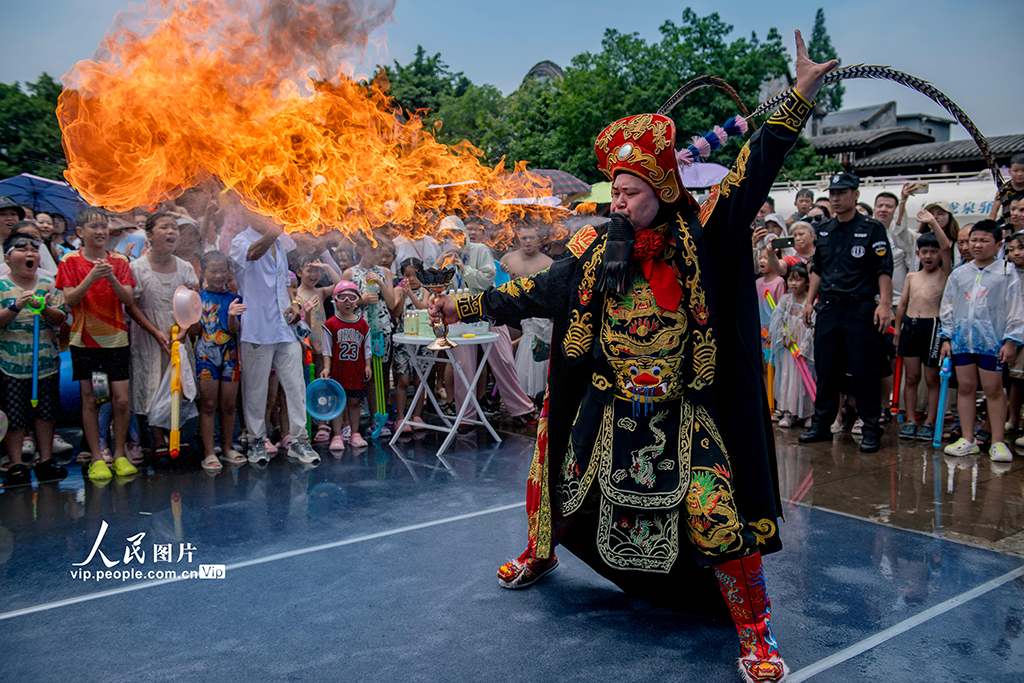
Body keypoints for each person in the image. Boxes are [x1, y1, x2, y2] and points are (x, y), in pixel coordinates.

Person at [430, 30, 836, 682]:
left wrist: (800, 94)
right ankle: (541, 551)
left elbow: (754, 169)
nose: (618, 203)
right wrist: (467, 306)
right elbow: (532, 291)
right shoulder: (594, 252)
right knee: (556, 476)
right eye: (613, 192)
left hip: (679, 412)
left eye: (630, 193)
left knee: (713, 508)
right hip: (606, 406)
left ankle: (756, 634)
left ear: (664, 192)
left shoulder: (702, 243)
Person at [799, 172, 894, 453]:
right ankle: (822, 424)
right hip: (828, 307)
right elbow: (818, 269)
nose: (836, 198)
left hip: (859, 308)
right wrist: (809, 302)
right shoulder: (825, 229)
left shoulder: (872, 228)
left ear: (855, 195)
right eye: (833, 193)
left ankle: (871, 428)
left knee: (864, 370)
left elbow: (883, 269)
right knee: (827, 368)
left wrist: (885, 304)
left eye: (842, 192)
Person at [230, 207, 320, 465]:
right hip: (257, 327)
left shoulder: (281, 241)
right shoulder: (242, 241)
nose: (268, 216)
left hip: (285, 326)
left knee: (295, 385)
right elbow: (252, 254)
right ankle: (257, 441)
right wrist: (274, 231)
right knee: (256, 390)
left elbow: (283, 283)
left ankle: (299, 441)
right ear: (247, 216)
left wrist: (293, 304)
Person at [55, 207, 138, 480]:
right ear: (79, 232)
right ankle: (96, 457)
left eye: (104, 226)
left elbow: (128, 301)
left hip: (116, 340)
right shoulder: (70, 260)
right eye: (94, 227)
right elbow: (69, 301)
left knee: (121, 400)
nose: (101, 232)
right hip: (84, 341)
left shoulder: (120, 260)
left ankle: (118, 454)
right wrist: (91, 276)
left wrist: (110, 276)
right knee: (91, 400)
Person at [439, 216, 537, 426]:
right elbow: (440, 288)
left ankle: (523, 408)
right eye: (446, 236)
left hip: (486, 310)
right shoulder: (445, 256)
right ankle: (465, 414)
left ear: (462, 233)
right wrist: (440, 265)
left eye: (455, 233)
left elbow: (486, 279)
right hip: (458, 316)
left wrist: (464, 269)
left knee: (503, 360)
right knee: (463, 365)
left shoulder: (480, 250)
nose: (451, 238)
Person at [939, 221, 1024, 462]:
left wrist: (1011, 340)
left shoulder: (1007, 273)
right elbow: (948, 307)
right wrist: (946, 336)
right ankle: (968, 439)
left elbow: (1015, 308)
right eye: (973, 240)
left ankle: (997, 441)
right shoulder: (960, 273)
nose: (976, 245)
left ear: (998, 245)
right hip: (963, 340)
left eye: (984, 241)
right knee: (965, 388)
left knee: (994, 390)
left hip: (992, 342)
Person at [126, 213, 200, 464]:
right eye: (164, 227)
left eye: (174, 229)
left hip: (179, 333)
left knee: (179, 383)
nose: (171, 232)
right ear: (149, 235)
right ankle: (158, 440)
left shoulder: (185, 267)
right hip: (149, 334)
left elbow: (194, 303)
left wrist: (182, 332)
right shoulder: (136, 268)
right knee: (152, 383)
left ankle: (177, 436)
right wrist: (155, 332)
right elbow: (132, 307)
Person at [0, 232, 68, 486]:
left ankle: (46, 460)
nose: (29, 254)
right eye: (21, 249)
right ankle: (16, 463)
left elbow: (61, 317)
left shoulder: (48, 284)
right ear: (7, 258)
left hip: (45, 363)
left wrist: (45, 309)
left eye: (34, 249)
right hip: (11, 365)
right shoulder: (1, 285)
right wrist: (15, 307)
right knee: (14, 415)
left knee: (46, 413)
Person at [893, 233, 948, 442]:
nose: (929, 256)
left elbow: (946, 246)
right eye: (924, 251)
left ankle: (930, 422)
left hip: (933, 326)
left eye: (934, 251)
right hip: (911, 325)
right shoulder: (911, 277)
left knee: (932, 378)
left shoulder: (944, 274)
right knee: (912, 377)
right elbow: (904, 304)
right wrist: (898, 329)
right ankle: (910, 420)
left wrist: (933, 223)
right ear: (918, 253)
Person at [196, 250, 247, 469]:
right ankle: (209, 451)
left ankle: (227, 447)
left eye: (222, 270)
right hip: (205, 356)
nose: (218, 275)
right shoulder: (196, 298)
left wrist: (232, 315)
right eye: (213, 270)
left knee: (228, 404)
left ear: (229, 272)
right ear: (203, 271)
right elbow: (194, 331)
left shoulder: (235, 299)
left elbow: (234, 330)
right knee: (208, 404)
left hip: (230, 356)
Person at [343, 237, 397, 431]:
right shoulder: (350, 273)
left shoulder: (385, 272)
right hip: (359, 331)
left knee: (381, 375)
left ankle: (379, 419)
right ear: (360, 249)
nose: (376, 255)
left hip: (382, 328)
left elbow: (392, 304)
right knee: (361, 375)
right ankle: (352, 423)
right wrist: (360, 300)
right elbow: (341, 306)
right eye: (372, 251)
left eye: (378, 251)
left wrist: (381, 284)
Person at [501, 224, 553, 401]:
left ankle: (534, 398)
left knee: (534, 360)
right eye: (524, 238)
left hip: (538, 320)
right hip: (512, 315)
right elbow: (498, 287)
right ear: (518, 239)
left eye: (532, 237)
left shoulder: (549, 263)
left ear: (540, 239)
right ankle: (510, 398)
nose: (528, 241)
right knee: (509, 357)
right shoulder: (507, 259)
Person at [321, 281, 371, 450]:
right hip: (338, 370)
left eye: (352, 298)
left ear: (357, 301)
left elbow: (367, 347)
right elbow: (326, 349)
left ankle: (355, 433)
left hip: (355, 370)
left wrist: (368, 366)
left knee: (355, 402)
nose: (347, 302)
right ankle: (337, 435)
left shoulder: (362, 324)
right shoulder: (330, 324)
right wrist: (327, 367)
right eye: (342, 298)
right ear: (335, 300)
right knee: (337, 403)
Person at [770, 263, 816, 428]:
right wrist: (783, 334)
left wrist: (804, 347)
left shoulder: (811, 303)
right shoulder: (785, 300)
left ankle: (809, 413)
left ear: (807, 282)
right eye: (790, 279)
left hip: (803, 351)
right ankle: (789, 412)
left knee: (805, 380)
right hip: (788, 349)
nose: (793, 283)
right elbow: (777, 319)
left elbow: (813, 328)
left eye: (798, 280)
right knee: (787, 379)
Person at [392, 258, 431, 434]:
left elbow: (423, 308)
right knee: (403, 380)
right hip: (403, 341)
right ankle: (400, 417)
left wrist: (412, 294)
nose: (412, 278)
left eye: (415, 274)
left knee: (420, 379)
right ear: (402, 276)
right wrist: (404, 295)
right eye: (407, 275)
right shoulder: (398, 290)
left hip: (422, 341)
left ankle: (417, 415)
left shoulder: (426, 291)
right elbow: (396, 312)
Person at [1004, 232, 1024, 438]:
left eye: (1021, 248)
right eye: (1011, 249)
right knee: (1014, 378)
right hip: (1011, 333)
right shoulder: (1007, 273)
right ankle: (1012, 418)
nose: (1016, 253)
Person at [989, 153, 1024, 225]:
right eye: (1015, 170)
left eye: (1023, 170)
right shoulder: (1004, 188)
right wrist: (990, 226)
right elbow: (995, 210)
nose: (1019, 174)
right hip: (1007, 220)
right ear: (1009, 172)